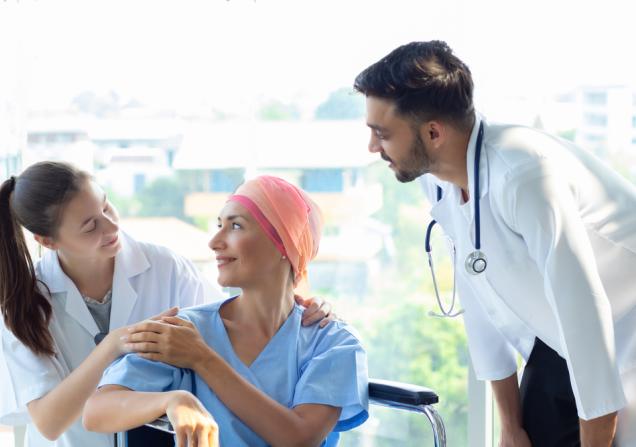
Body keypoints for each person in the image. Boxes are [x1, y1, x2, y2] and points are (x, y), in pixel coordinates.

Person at [353, 41, 636, 447]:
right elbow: (479, 295)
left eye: (382, 134)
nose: (373, 148)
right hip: (560, 342)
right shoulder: (439, 182)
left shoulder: (524, 176)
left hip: (617, 327)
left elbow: (586, 317)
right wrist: (509, 425)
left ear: (433, 132)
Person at [0, 162, 333, 447]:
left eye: (105, 207)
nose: (112, 226)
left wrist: (296, 303)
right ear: (48, 241)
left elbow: (232, 324)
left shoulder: (164, 267)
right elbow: (48, 421)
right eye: (91, 225)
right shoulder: (23, 302)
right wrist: (115, 345)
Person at [83, 175, 369, 447]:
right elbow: (96, 411)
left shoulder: (333, 342)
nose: (214, 242)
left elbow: (298, 439)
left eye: (235, 226)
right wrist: (174, 401)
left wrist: (203, 359)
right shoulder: (187, 330)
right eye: (219, 224)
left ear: (285, 243)